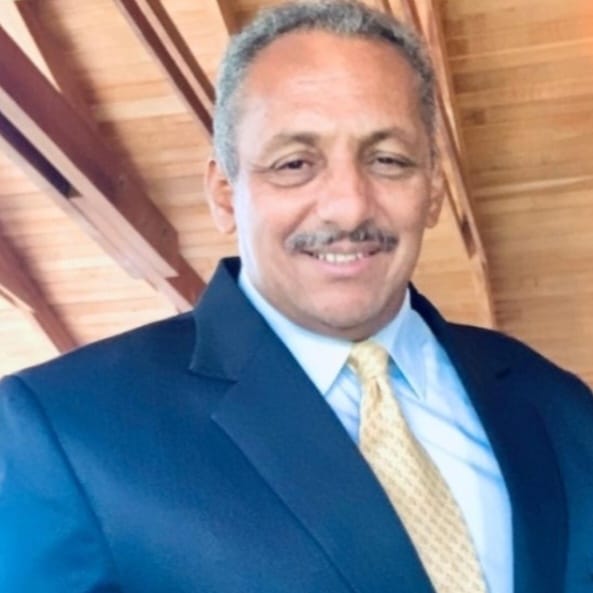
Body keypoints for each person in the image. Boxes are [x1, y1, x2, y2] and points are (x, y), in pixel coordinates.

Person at [1, 1, 592, 592]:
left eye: (388, 160)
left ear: (433, 189)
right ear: (225, 194)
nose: (349, 207)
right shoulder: (64, 432)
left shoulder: (557, 401)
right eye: (294, 164)